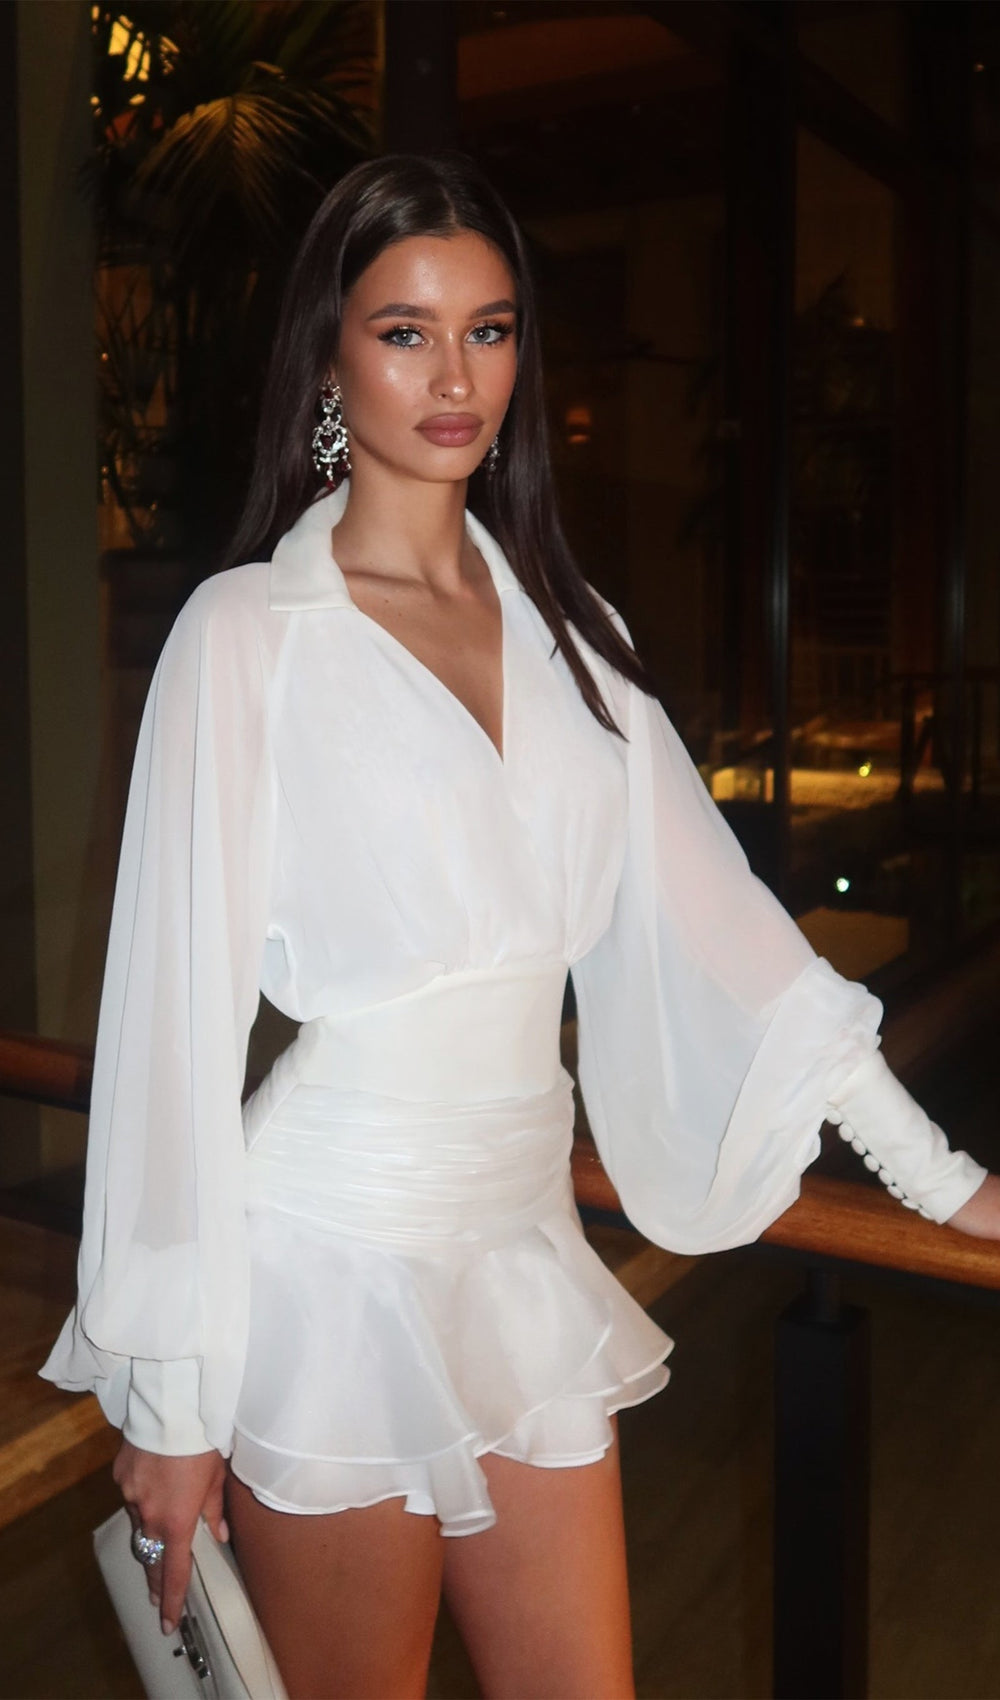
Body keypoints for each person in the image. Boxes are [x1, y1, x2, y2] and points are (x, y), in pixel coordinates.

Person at [40, 152, 1000, 1700]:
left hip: (522, 1252)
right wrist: (171, 1404)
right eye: (404, 331)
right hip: (330, 1267)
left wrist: (946, 1182)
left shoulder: (576, 634)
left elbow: (741, 938)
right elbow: (172, 1033)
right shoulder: (248, 638)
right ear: (330, 358)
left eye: (487, 330)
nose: (454, 376)